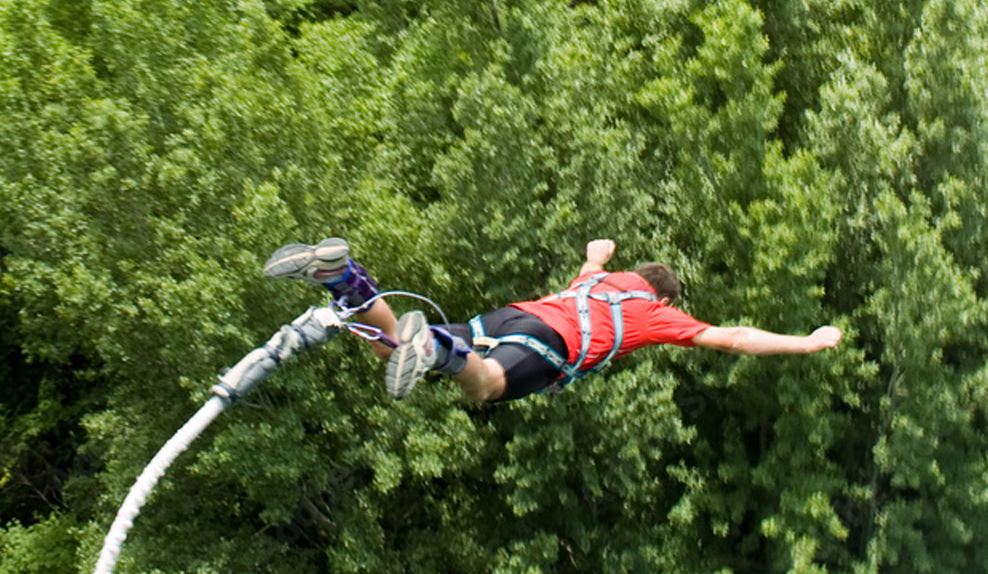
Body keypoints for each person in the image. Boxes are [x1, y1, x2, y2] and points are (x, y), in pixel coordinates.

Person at [264, 238, 842, 402]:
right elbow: (735, 338)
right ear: (663, 299)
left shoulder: (599, 282)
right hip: (552, 345)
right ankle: (439, 350)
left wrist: (601, 251)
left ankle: (345, 278)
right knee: (484, 385)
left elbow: (592, 257)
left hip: (514, 315)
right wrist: (807, 343)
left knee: (389, 349)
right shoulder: (651, 315)